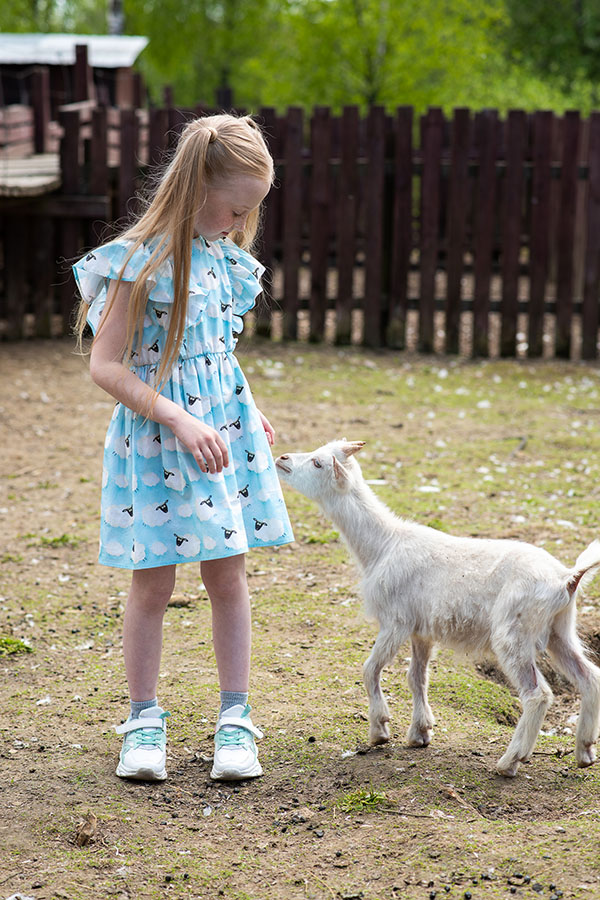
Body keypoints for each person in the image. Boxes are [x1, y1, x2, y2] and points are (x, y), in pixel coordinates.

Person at [73, 113, 294, 783]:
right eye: (234, 208)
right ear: (198, 187)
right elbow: (104, 366)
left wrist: (248, 411)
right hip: (159, 445)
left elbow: (218, 356)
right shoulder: (140, 265)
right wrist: (177, 418)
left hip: (218, 440)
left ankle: (236, 718)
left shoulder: (224, 261)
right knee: (152, 583)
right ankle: (143, 720)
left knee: (228, 575)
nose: (238, 223)